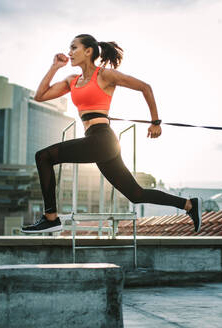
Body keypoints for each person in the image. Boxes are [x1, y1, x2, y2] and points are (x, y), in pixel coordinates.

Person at [21, 34, 202, 234]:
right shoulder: (72, 80)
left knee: (43, 157)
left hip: (102, 139)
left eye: (74, 48)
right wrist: (55, 67)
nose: (70, 53)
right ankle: (188, 205)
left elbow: (145, 87)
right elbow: (40, 96)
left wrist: (155, 122)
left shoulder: (104, 75)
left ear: (88, 51)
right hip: (97, 142)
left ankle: (50, 217)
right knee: (136, 193)